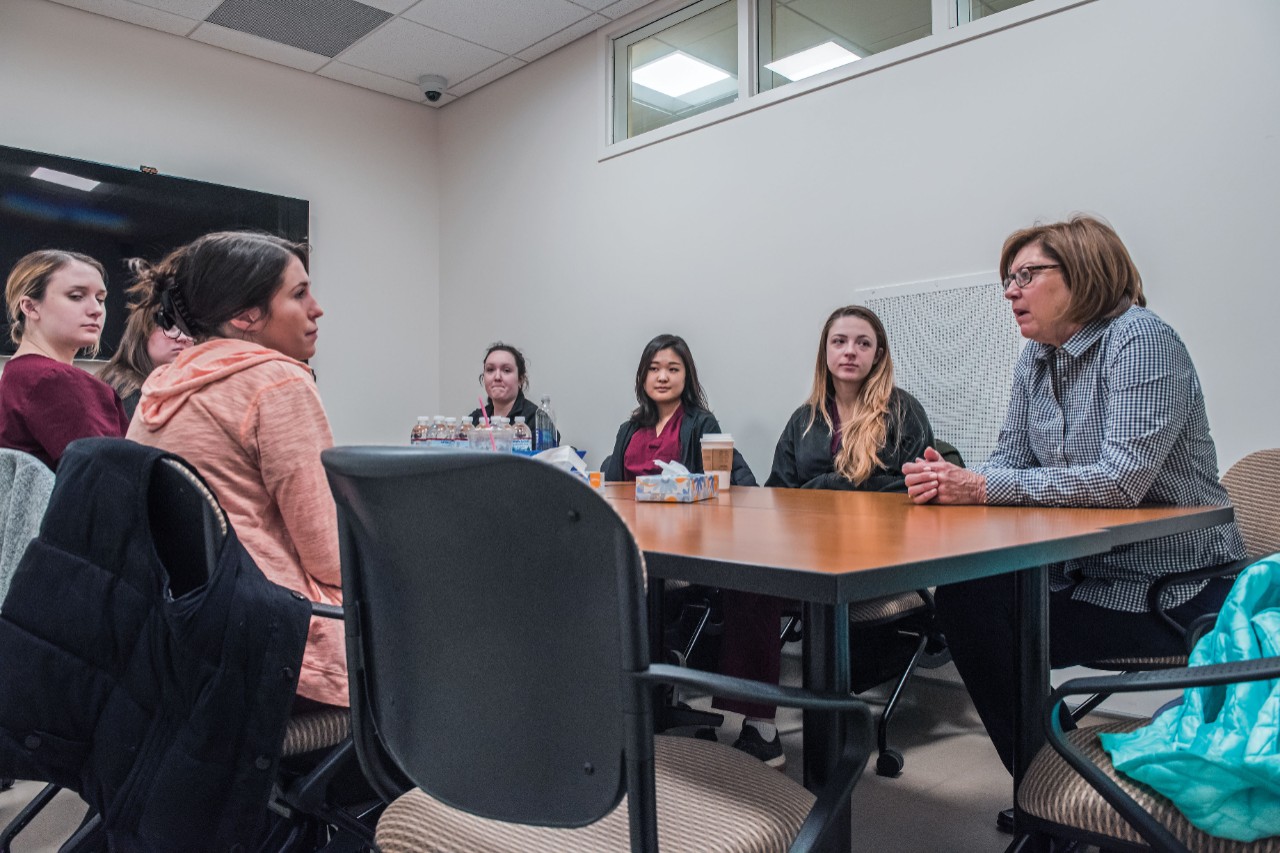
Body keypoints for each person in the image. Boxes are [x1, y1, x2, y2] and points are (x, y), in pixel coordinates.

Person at [902, 215, 1246, 786]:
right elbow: (1009, 464)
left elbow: (1120, 482)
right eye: (1007, 279)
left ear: (1083, 273)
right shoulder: (1035, 360)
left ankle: (1055, 787)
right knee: (965, 603)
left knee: (985, 617)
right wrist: (953, 480)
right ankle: (1058, 783)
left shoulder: (1140, 338)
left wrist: (982, 487)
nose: (1010, 291)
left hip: (1177, 589)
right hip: (1088, 575)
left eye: (1026, 275)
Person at [125, 231, 346, 710]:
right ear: (246, 316)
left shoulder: (162, 385)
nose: (317, 308)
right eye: (299, 293)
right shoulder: (277, 380)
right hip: (273, 646)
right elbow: (329, 557)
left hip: (177, 638)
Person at [714, 305, 933, 767]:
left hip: (878, 556)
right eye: (839, 342)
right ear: (825, 352)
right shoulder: (805, 419)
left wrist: (826, 488)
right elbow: (778, 493)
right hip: (807, 554)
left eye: (862, 343)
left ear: (878, 354)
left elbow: (914, 487)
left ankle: (823, 727)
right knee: (745, 578)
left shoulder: (903, 411)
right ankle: (761, 726)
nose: (850, 351)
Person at [0, 250, 130, 469]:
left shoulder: (16, 377)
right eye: (76, 296)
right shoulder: (55, 380)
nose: (96, 310)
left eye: (100, 299)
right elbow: (110, 478)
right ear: (30, 307)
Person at [601, 333, 755, 485]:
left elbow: (713, 487)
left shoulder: (702, 424)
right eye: (653, 369)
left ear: (686, 377)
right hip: (626, 509)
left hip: (685, 510)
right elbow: (610, 487)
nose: (662, 377)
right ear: (643, 378)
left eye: (673, 369)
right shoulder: (628, 429)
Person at [98, 287, 194, 419]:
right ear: (142, 332)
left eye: (189, 329)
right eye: (168, 326)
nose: (182, 337)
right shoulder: (126, 388)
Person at [468, 343, 549, 429]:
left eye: (506, 370)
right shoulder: (475, 419)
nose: (497, 377)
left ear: (520, 379)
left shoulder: (537, 418)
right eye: (490, 369)